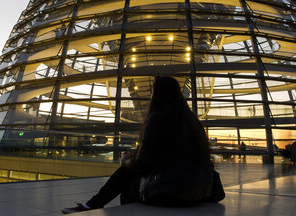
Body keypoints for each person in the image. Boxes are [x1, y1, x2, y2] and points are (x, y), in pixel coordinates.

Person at [62, 76, 224, 214]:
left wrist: (127, 159)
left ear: (158, 94)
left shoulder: (158, 119)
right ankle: (92, 204)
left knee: (127, 172)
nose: (151, 94)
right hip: (198, 193)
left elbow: (142, 166)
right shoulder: (193, 122)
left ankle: (92, 205)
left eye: (153, 90)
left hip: (171, 194)